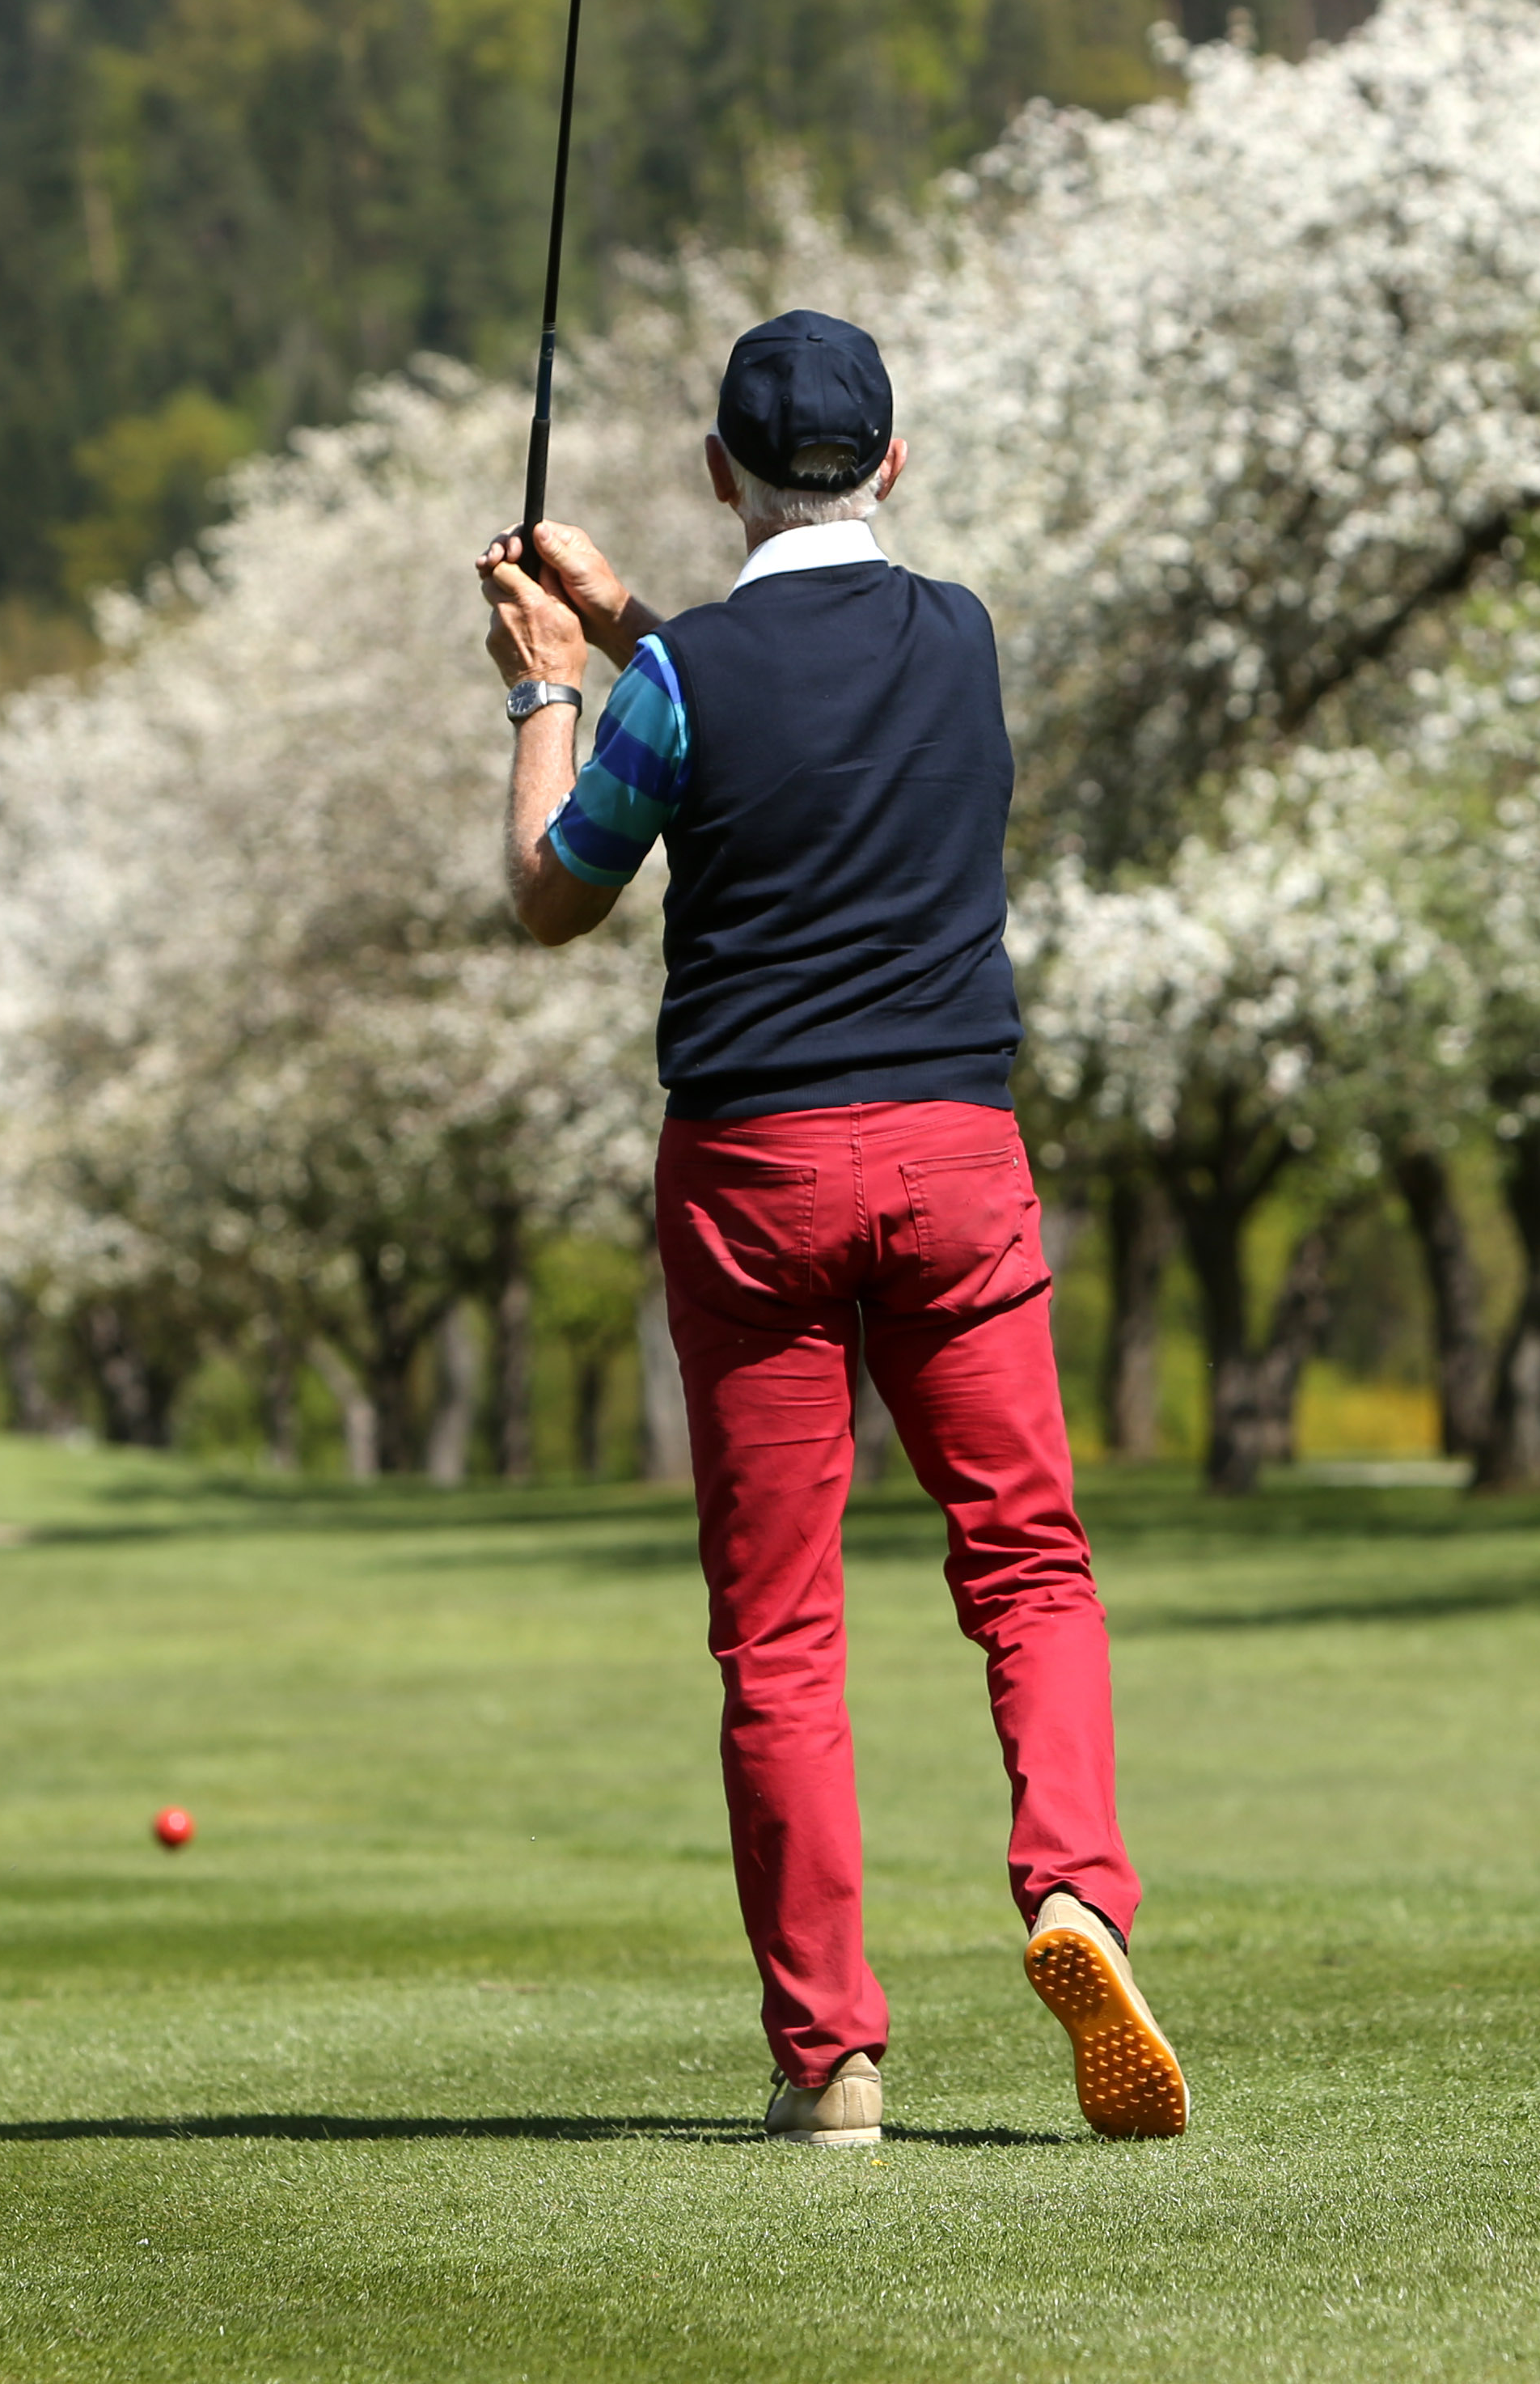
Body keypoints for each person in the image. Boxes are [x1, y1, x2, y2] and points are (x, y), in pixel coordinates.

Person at [472, 310, 1186, 2148]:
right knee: (1028, 1560)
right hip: (955, 1158)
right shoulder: (964, 641)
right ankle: (1074, 1896)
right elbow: (805, 708)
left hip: (755, 1178)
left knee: (781, 1633)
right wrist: (642, 625)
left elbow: (556, 897)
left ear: (720, 471)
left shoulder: (682, 682)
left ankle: (833, 2060)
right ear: (895, 461)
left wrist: (551, 686)